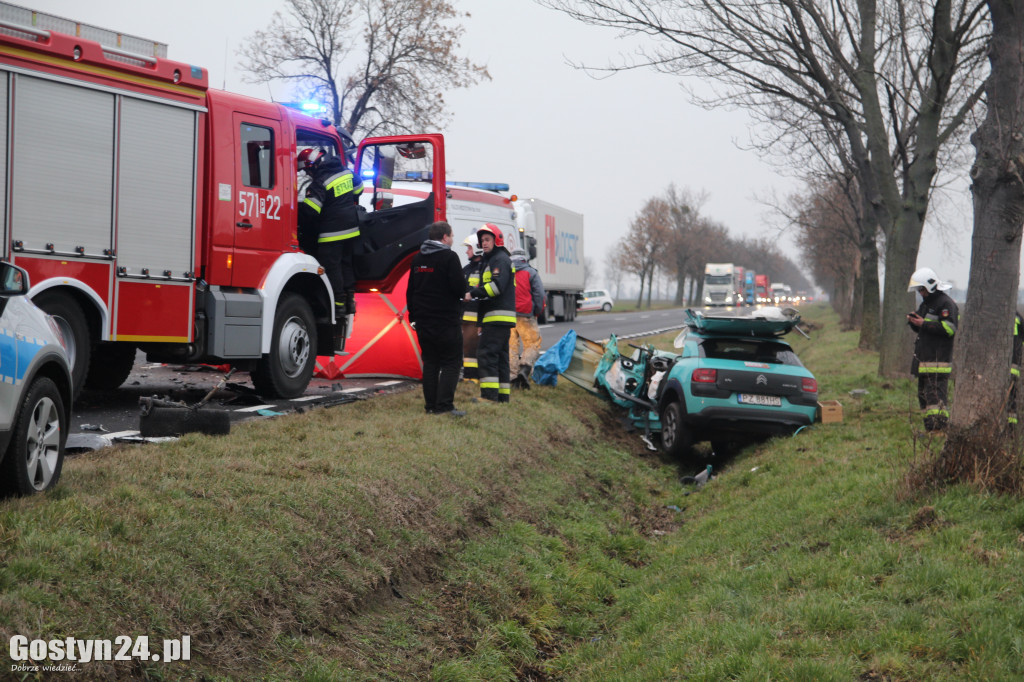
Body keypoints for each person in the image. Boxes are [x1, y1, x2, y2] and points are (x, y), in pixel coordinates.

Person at [406, 221, 468, 416]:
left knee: (431, 363)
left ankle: (431, 407)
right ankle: (445, 406)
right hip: (446, 321)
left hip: (423, 321)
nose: (453, 239)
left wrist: (413, 317)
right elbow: (459, 288)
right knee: (451, 362)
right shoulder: (449, 257)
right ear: (444, 237)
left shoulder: (418, 259)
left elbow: (411, 290)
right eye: (452, 236)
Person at [297, 147, 364, 317]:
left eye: (307, 170)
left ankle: (338, 304)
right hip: (351, 229)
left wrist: (297, 210)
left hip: (331, 232)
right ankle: (349, 301)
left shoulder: (320, 181)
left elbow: (311, 210)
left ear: (313, 165)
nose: (308, 174)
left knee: (331, 267)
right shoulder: (345, 172)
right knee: (346, 264)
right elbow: (359, 189)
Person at [466, 223, 516, 403]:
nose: (484, 243)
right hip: (495, 318)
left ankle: (489, 397)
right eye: (482, 240)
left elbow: (496, 288)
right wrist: (480, 322)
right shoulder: (491, 260)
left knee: (486, 354)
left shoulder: (499, 260)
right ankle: (502, 397)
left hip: (496, 317)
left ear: (497, 240)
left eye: (487, 239)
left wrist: (472, 293)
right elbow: (486, 298)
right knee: (501, 358)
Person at [906, 267, 958, 432]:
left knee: (936, 399)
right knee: (924, 397)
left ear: (931, 286)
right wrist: (914, 322)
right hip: (925, 361)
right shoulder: (926, 304)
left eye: (922, 289)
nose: (921, 293)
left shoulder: (946, 304)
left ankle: (939, 430)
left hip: (937, 362)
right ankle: (930, 430)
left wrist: (924, 324)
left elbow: (950, 329)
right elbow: (923, 329)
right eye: (919, 290)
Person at [508, 248, 546, 388]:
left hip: (509, 315)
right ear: (525, 258)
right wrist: (537, 311)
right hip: (526, 315)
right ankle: (524, 369)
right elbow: (540, 295)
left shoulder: (507, 272)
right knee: (532, 343)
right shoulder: (531, 272)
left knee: (511, 346)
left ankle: (512, 377)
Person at [461, 234, 484, 382]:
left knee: (472, 348)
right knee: (467, 347)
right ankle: (469, 376)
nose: (466, 251)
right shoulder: (466, 269)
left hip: (476, 317)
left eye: (469, 248)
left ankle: (473, 377)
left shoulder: (484, 269)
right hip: (464, 317)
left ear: (476, 249)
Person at [1010, 311, 1023, 425]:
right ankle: (1011, 426)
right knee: (1012, 396)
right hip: (1015, 365)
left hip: (1011, 366)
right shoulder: (1018, 316)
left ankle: (1010, 425)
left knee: (1010, 395)